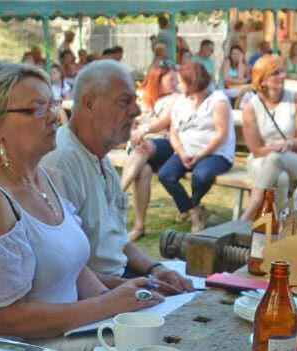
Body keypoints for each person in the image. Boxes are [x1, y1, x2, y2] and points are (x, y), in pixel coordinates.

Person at [0, 62, 164, 351]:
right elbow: (7, 320)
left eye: (52, 104)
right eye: (37, 109)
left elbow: (74, 268)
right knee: (147, 350)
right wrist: (106, 305)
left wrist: (122, 299)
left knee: (154, 329)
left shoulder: (44, 178)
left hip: (65, 338)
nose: (53, 116)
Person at [40, 60, 194, 293]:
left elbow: (117, 241)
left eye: (134, 101)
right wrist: (136, 288)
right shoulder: (61, 162)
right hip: (93, 295)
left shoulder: (98, 155)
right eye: (124, 102)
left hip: (117, 282)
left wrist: (155, 269)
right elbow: (64, 271)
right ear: (89, 104)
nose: (136, 111)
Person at [158, 61, 234, 232]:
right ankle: (194, 211)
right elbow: (174, 133)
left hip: (216, 153)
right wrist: (182, 152)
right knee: (165, 175)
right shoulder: (180, 101)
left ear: (192, 82)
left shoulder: (218, 101)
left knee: (200, 176)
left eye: (181, 81)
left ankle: (193, 209)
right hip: (186, 151)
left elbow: (221, 135)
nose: (177, 85)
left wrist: (200, 155)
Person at [241, 55, 297, 221]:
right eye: (275, 73)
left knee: (276, 159)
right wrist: (273, 148)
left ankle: (252, 208)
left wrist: (288, 143)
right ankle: (279, 225)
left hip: (293, 158)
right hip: (260, 160)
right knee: (281, 178)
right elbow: (256, 150)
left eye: (282, 71)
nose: (282, 76)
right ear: (263, 81)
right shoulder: (251, 107)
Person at [120, 63, 180, 240]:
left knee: (143, 149)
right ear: (157, 80)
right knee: (143, 171)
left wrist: (143, 130)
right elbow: (130, 119)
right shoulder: (143, 97)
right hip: (144, 144)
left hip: (167, 143)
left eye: (176, 79)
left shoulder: (177, 98)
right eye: (171, 79)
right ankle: (139, 226)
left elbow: (163, 122)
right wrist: (134, 131)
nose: (175, 82)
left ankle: (116, 194)